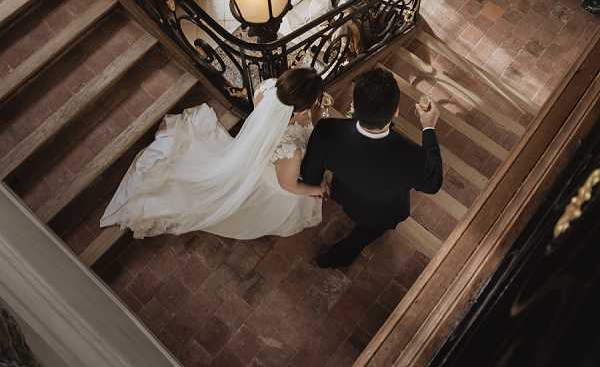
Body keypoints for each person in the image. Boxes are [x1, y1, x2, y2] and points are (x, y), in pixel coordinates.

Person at [100, 67, 326, 240]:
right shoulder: (290, 149)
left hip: (249, 150)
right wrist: (316, 190)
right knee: (293, 198)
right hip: (268, 173)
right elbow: (288, 185)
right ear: (301, 108)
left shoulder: (267, 88)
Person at [301, 66, 443, 268]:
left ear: (354, 105)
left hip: (345, 196)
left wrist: (317, 185)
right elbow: (433, 183)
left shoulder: (327, 131)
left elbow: (310, 174)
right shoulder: (413, 156)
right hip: (384, 212)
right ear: (396, 112)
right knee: (365, 234)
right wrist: (429, 127)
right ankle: (339, 257)